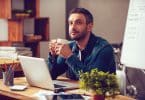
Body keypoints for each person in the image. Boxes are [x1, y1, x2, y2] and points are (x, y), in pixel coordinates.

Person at [48, 7, 116, 80]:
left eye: (78, 23)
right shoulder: (70, 47)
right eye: (71, 23)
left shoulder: (104, 49)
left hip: (99, 91)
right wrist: (53, 57)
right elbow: (50, 75)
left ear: (89, 27)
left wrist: (70, 56)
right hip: (76, 91)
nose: (73, 27)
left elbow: (92, 81)